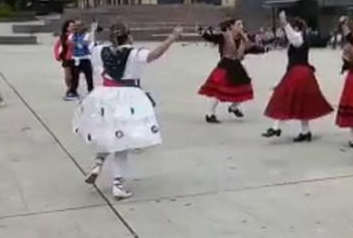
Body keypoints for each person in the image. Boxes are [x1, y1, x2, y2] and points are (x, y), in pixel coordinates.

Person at [73, 24, 182, 200]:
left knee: (107, 132)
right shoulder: (135, 53)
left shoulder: (102, 50)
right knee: (122, 143)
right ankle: (118, 185)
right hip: (128, 97)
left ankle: (98, 164)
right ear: (129, 36)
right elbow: (155, 55)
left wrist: (93, 30)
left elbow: (89, 43)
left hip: (105, 95)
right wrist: (172, 37)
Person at [262, 12, 334, 141]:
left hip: (298, 73)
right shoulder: (302, 38)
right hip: (302, 73)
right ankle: (305, 131)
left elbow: (293, 38)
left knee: (282, 97)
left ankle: (276, 127)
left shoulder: (298, 38)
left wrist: (284, 23)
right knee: (302, 102)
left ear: (297, 28)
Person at [199, 18, 265, 124]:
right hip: (225, 65)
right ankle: (209, 114)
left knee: (245, 87)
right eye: (238, 24)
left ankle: (234, 107)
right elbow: (212, 38)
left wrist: (262, 50)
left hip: (236, 66)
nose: (241, 27)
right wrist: (203, 33)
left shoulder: (243, 39)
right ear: (231, 26)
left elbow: (250, 49)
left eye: (241, 24)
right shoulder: (224, 36)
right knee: (219, 90)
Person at [54, 19, 77, 101]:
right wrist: (57, 55)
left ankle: (72, 90)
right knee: (68, 76)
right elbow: (56, 46)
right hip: (67, 58)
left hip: (76, 58)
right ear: (67, 28)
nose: (73, 27)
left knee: (75, 76)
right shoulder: (64, 36)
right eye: (71, 26)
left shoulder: (77, 35)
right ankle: (70, 88)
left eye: (74, 26)